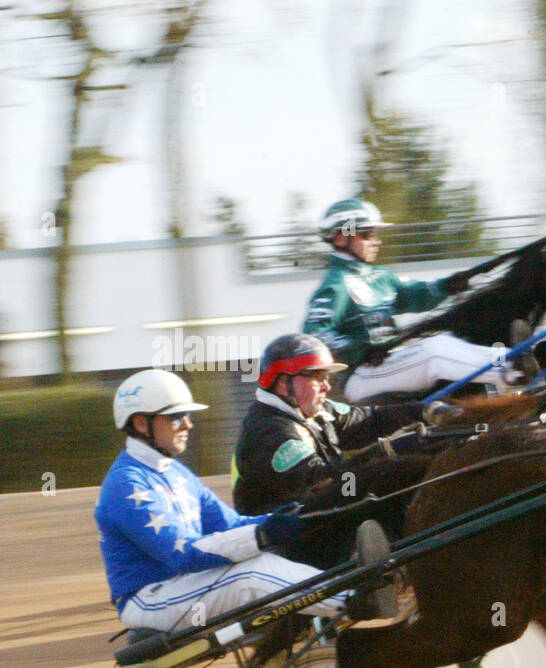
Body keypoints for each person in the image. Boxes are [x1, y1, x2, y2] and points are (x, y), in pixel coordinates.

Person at [96, 368, 397, 633]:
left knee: (261, 560)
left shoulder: (176, 472)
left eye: (188, 415)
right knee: (249, 575)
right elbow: (182, 553)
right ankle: (351, 599)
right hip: (148, 599)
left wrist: (298, 516)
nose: (188, 424)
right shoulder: (126, 484)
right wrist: (263, 534)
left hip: (183, 586)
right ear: (140, 423)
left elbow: (232, 525)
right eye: (176, 416)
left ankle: (347, 590)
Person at [303, 198, 522, 402]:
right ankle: (512, 371)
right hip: (360, 376)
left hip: (386, 363)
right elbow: (316, 336)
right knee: (433, 353)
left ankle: (517, 358)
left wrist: (447, 286)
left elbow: (416, 295)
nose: (376, 242)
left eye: (376, 234)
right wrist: (361, 348)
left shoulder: (380, 277)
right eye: (368, 234)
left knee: (443, 341)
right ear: (341, 237)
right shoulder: (335, 286)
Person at [232, 332, 458, 518]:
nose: (326, 387)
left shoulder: (319, 412)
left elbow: (372, 419)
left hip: (325, 514)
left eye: (327, 378)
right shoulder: (268, 431)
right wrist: (387, 451)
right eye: (316, 377)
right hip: (285, 537)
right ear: (283, 383)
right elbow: (322, 482)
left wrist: (426, 411)